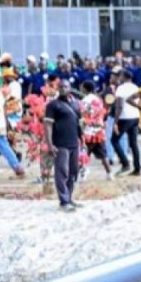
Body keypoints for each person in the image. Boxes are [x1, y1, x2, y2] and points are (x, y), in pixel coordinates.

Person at [43, 80, 84, 209]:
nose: (62, 89)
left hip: (74, 143)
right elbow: (48, 125)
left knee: (73, 171)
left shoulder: (76, 105)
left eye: (65, 87)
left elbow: (79, 124)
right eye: (60, 87)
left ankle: (69, 197)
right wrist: (50, 144)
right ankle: (64, 200)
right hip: (60, 143)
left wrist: (82, 141)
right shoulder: (53, 105)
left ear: (70, 88)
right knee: (62, 172)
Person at [78, 81, 114, 181]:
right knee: (103, 155)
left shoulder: (84, 101)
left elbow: (83, 115)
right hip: (99, 131)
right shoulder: (99, 99)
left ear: (85, 89)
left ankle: (83, 174)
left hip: (88, 131)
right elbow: (103, 113)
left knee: (84, 154)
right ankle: (109, 174)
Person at [113, 67, 141, 176]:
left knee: (114, 140)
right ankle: (137, 168)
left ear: (124, 77)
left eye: (120, 76)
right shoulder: (135, 87)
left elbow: (119, 106)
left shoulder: (121, 88)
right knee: (133, 143)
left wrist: (115, 122)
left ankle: (125, 164)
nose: (119, 78)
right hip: (135, 116)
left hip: (125, 117)